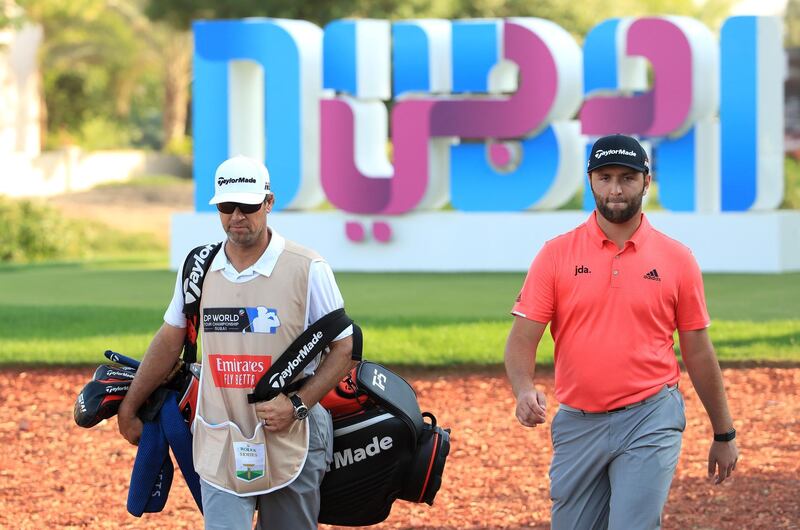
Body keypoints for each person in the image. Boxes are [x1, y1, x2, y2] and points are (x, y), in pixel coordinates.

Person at [504, 134, 739, 530]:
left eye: (628, 178)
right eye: (606, 177)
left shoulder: (677, 259)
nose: (616, 189)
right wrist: (524, 389)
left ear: (646, 182)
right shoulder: (555, 255)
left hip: (651, 415)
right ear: (591, 181)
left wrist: (724, 431)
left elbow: (698, 351)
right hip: (578, 422)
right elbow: (522, 338)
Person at [118, 155, 355, 530]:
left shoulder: (308, 267)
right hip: (219, 434)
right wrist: (130, 405)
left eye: (247, 205)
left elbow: (344, 346)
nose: (237, 216)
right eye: (227, 206)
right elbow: (170, 336)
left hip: (293, 433)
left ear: (269, 203)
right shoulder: (199, 267)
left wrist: (296, 404)